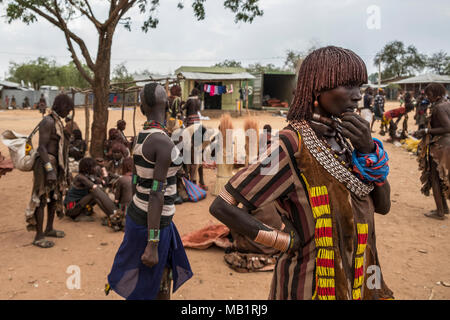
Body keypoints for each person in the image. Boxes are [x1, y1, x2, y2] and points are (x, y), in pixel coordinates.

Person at [209, 46, 393, 300]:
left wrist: (368, 149)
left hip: (357, 278)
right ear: (318, 87)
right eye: (348, 85)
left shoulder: (348, 140)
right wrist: (282, 241)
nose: (357, 96)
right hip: (307, 284)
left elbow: (383, 206)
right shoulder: (290, 145)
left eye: (360, 86)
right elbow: (222, 205)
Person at [107, 83, 193, 300]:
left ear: (141, 107)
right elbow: (156, 193)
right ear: (167, 104)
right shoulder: (162, 141)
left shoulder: (142, 136)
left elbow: (137, 179)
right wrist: (152, 243)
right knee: (152, 285)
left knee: (156, 280)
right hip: (152, 224)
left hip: (142, 216)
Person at [26, 94, 73, 248]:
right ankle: (38, 236)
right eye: (67, 107)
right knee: (41, 198)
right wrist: (49, 169)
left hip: (56, 164)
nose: (69, 111)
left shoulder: (58, 122)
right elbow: (41, 148)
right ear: (59, 105)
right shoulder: (48, 121)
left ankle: (49, 228)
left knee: (54, 197)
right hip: (45, 164)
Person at [416, 83, 450, 220]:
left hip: (440, 147)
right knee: (441, 177)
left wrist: (426, 131)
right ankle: (444, 208)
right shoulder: (447, 103)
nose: (427, 97)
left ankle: (439, 212)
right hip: (446, 145)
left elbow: (447, 127)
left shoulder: (438, 108)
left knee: (435, 177)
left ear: (437, 94)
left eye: (429, 95)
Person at [64, 157, 119, 223]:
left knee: (98, 192)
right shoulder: (80, 177)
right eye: (93, 167)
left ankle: (111, 214)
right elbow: (95, 188)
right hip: (71, 209)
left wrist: (103, 169)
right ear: (87, 168)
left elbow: (105, 183)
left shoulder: (88, 176)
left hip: (77, 205)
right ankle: (114, 213)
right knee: (95, 192)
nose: (95, 168)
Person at [212, 113, 235, 196]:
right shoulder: (230, 136)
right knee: (227, 172)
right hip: (228, 154)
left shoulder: (218, 136)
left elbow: (214, 146)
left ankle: (220, 190)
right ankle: (228, 190)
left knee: (223, 172)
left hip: (221, 155)